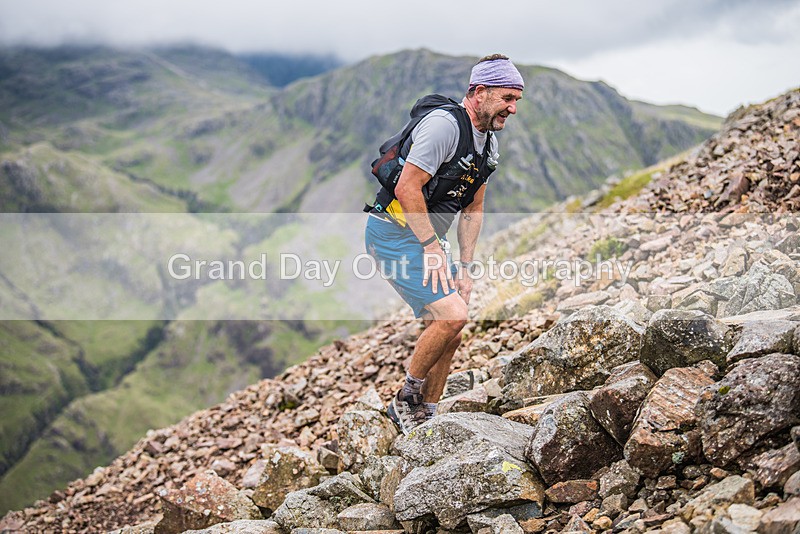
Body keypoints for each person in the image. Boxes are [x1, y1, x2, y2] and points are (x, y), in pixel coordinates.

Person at [364, 54, 524, 434]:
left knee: (450, 324)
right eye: (506, 98)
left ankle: (427, 413)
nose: (513, 108)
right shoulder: (444, 126)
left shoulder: (489, 146)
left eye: (517, 99)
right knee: (452, 315)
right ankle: (404, 401)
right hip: (391, 232)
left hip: (427, 238)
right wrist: (432, 248)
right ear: (479, 91)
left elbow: (474, 208)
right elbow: (406, 186)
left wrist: (465, 268)